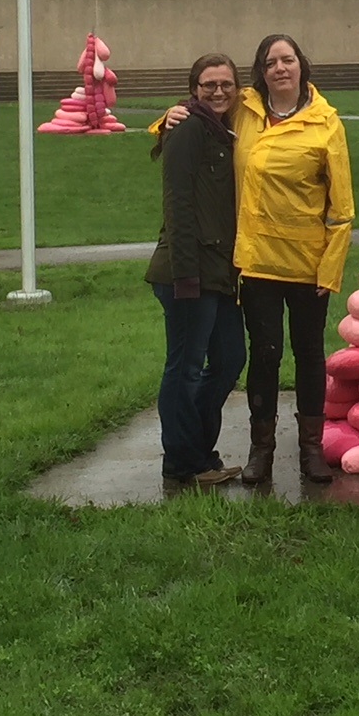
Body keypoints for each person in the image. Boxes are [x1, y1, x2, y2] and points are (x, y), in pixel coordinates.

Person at [161, 34, 356, 484]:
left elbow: (342, 209)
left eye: (288, 59)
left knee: (309, 356)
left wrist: (331, 267)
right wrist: (167, 116)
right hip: (257, 263)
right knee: (263, 356)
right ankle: (260, 452)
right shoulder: (246, 109)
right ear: (261, 72)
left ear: (302, 65)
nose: (280, 68)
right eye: (271, 62)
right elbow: (201, 109)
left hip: (309, 265)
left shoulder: (327, 123)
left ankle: (311, 450)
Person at [145, 53, 249, 488]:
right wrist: (187, 276)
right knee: (185, 369)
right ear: (194, 88)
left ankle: (198, 450)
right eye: (209, 85)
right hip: (187, 274)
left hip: (221, 273)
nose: (219, 91)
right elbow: (179, 205)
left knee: (228, 360)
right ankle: (183, 463)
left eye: (226, 83)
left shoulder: (223, 128)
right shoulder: (188, 129)